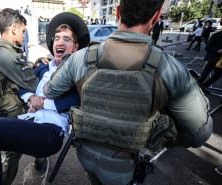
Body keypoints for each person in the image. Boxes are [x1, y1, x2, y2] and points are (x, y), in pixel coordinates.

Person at [43, 0, 213, 184]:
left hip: (84, 154)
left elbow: (49, 90)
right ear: (156, 17)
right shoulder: (170, 69)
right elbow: (198, 134)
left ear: (117, 13)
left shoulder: (81, 58)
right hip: (122, 166)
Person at [0, 12, 90, 185]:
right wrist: (32, 98)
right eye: (57, 38)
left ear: (75, 48)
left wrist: (44, 103)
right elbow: (22, 85)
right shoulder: (44, 67)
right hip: (29, 120)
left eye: (66, 39)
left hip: (50, 130)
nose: (59, 42)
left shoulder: (78, 70)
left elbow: (78, 98)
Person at [197, 20, 222, 90]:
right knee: (204, 74)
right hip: (212, 58)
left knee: (218, 75)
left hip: (220, 61)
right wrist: (218, 50)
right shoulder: (215, 35)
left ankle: (204, 85)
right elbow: (207, 48)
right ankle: (195, 88)